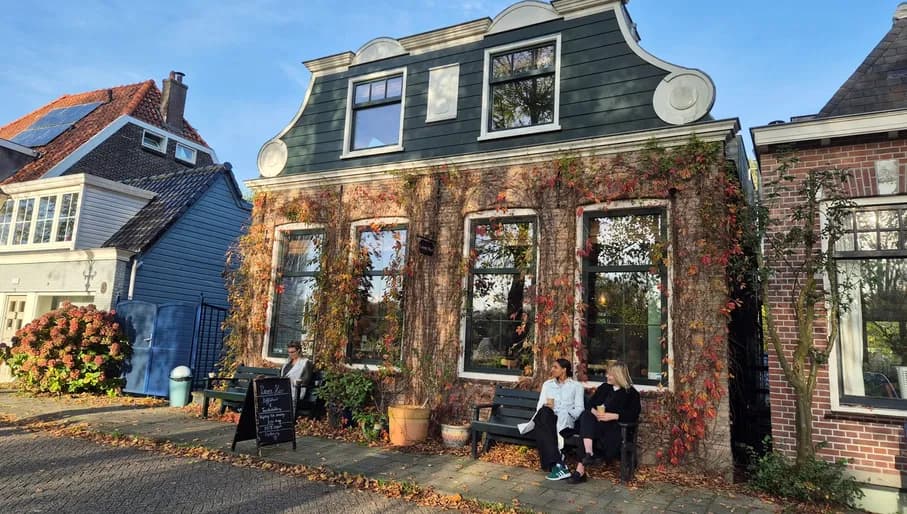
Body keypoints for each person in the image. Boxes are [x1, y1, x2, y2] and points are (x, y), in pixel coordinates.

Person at [567, 361, 641, 484]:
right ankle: (589, 453)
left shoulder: (631, 394)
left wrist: (612, 416)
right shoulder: (604, 387)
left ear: (619, 375)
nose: (607, 376)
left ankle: (580, 471)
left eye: (610, 375)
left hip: (616, 428)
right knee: (586, 415)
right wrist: (595, 412)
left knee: (584, 435)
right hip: (597, 425)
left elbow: (633, 414)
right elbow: (590, 404)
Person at [523, 358, 585, 481]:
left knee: (542, 427)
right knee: (544, 413)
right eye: (552, 367)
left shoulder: (576, 386)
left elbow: (579, 409)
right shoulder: (547, 385)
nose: (552, 370)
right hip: (548, 418)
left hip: (565, 420)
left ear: (564, 370)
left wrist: (566, 413)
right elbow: (540, 406)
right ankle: (559, 464)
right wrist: (550, 407)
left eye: (555, 367)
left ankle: (556, 465)